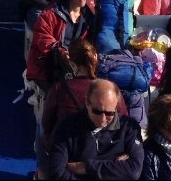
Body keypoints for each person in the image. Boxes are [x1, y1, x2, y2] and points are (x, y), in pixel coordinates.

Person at [38, 38, 122, 177]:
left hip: (69, 155)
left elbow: (47, 124)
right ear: (95, 58)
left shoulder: (59, 89)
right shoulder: (110, 91)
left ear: (71, 63)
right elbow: (123, 122)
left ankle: (42, 174)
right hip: (104, 154)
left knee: (40, 130)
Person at [45, 78, 144, 180]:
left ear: (116, 108)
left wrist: (85, 167)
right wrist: (114, 165)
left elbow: (134, 171)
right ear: (87, 102)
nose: (102, 119)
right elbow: (57, 172)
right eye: (97, 111)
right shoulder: (66, 128)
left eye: (109, 113)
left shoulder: (129, 128)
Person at [27, 0, 97, 92]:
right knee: (61, 96)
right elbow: (42, 36)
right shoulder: (51, 13)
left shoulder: (88, 16)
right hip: (48, 65)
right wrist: (61, 51)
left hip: (75, 65)